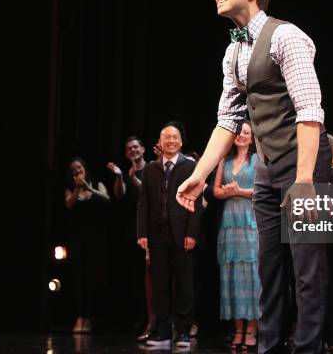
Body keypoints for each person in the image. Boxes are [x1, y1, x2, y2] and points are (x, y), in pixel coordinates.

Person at [177, 0, 333, 353]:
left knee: (307, 271)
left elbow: (310, 110)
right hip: (266, 169)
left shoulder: (287, 37)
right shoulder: (233, 54)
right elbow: (227, 121)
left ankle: (309, 348)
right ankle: (268, 347)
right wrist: (200, 174)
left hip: (304, 166)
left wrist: (303, 181)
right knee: (270, 269)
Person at [137, 124, 204, 349]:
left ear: (181, 142)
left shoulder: (191, 166)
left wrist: (192, 233)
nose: (171, 141)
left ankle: (183, 331)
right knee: (159, 283)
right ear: (160, 141)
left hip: (182, 233)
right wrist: (142, 233)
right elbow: (143, 203)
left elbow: (196, 202)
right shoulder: (150, 169)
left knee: (184, 283)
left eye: (174, 137)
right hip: (157, 235)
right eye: (166, 137)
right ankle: (162, 332)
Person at [213, 121, 260, 350]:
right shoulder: (225, 161)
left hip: (250, 222)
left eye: (246, 133)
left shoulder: (258, 160)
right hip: (230, 223)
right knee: (231, 275)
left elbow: (263, 190)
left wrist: (239, 191)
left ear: (252, 138)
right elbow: (216, 191)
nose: (241, 136)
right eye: (239, 133)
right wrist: (228, 192)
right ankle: (238, 329)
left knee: (252, 275)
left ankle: (252, 329)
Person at [107, 136, 153, 341]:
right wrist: (119, 176)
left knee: (152, 275)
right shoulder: (125, 173)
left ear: (143, 149)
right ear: (126, 154)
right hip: (133, 228)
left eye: (136, 147)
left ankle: (155, 320)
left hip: (152, 228)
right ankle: (141, 318)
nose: (133, 150)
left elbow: (152, 193)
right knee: (136, 276)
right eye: (129, 149)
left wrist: (134, 177)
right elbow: (119, 194)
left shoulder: (152, 168)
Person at [64, 157, 110, 333]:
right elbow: (69, 204)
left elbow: (106, 198)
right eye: (74, 170)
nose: (77, 171)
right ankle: (79, 317)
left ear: (85, 168)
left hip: (96, 239)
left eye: (80, 168)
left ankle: (90, 318)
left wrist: (88, 188)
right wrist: (78, 187)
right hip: (77, 238)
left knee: (93, 277)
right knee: (79, 277)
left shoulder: (97, 184)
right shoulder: (70, 189)